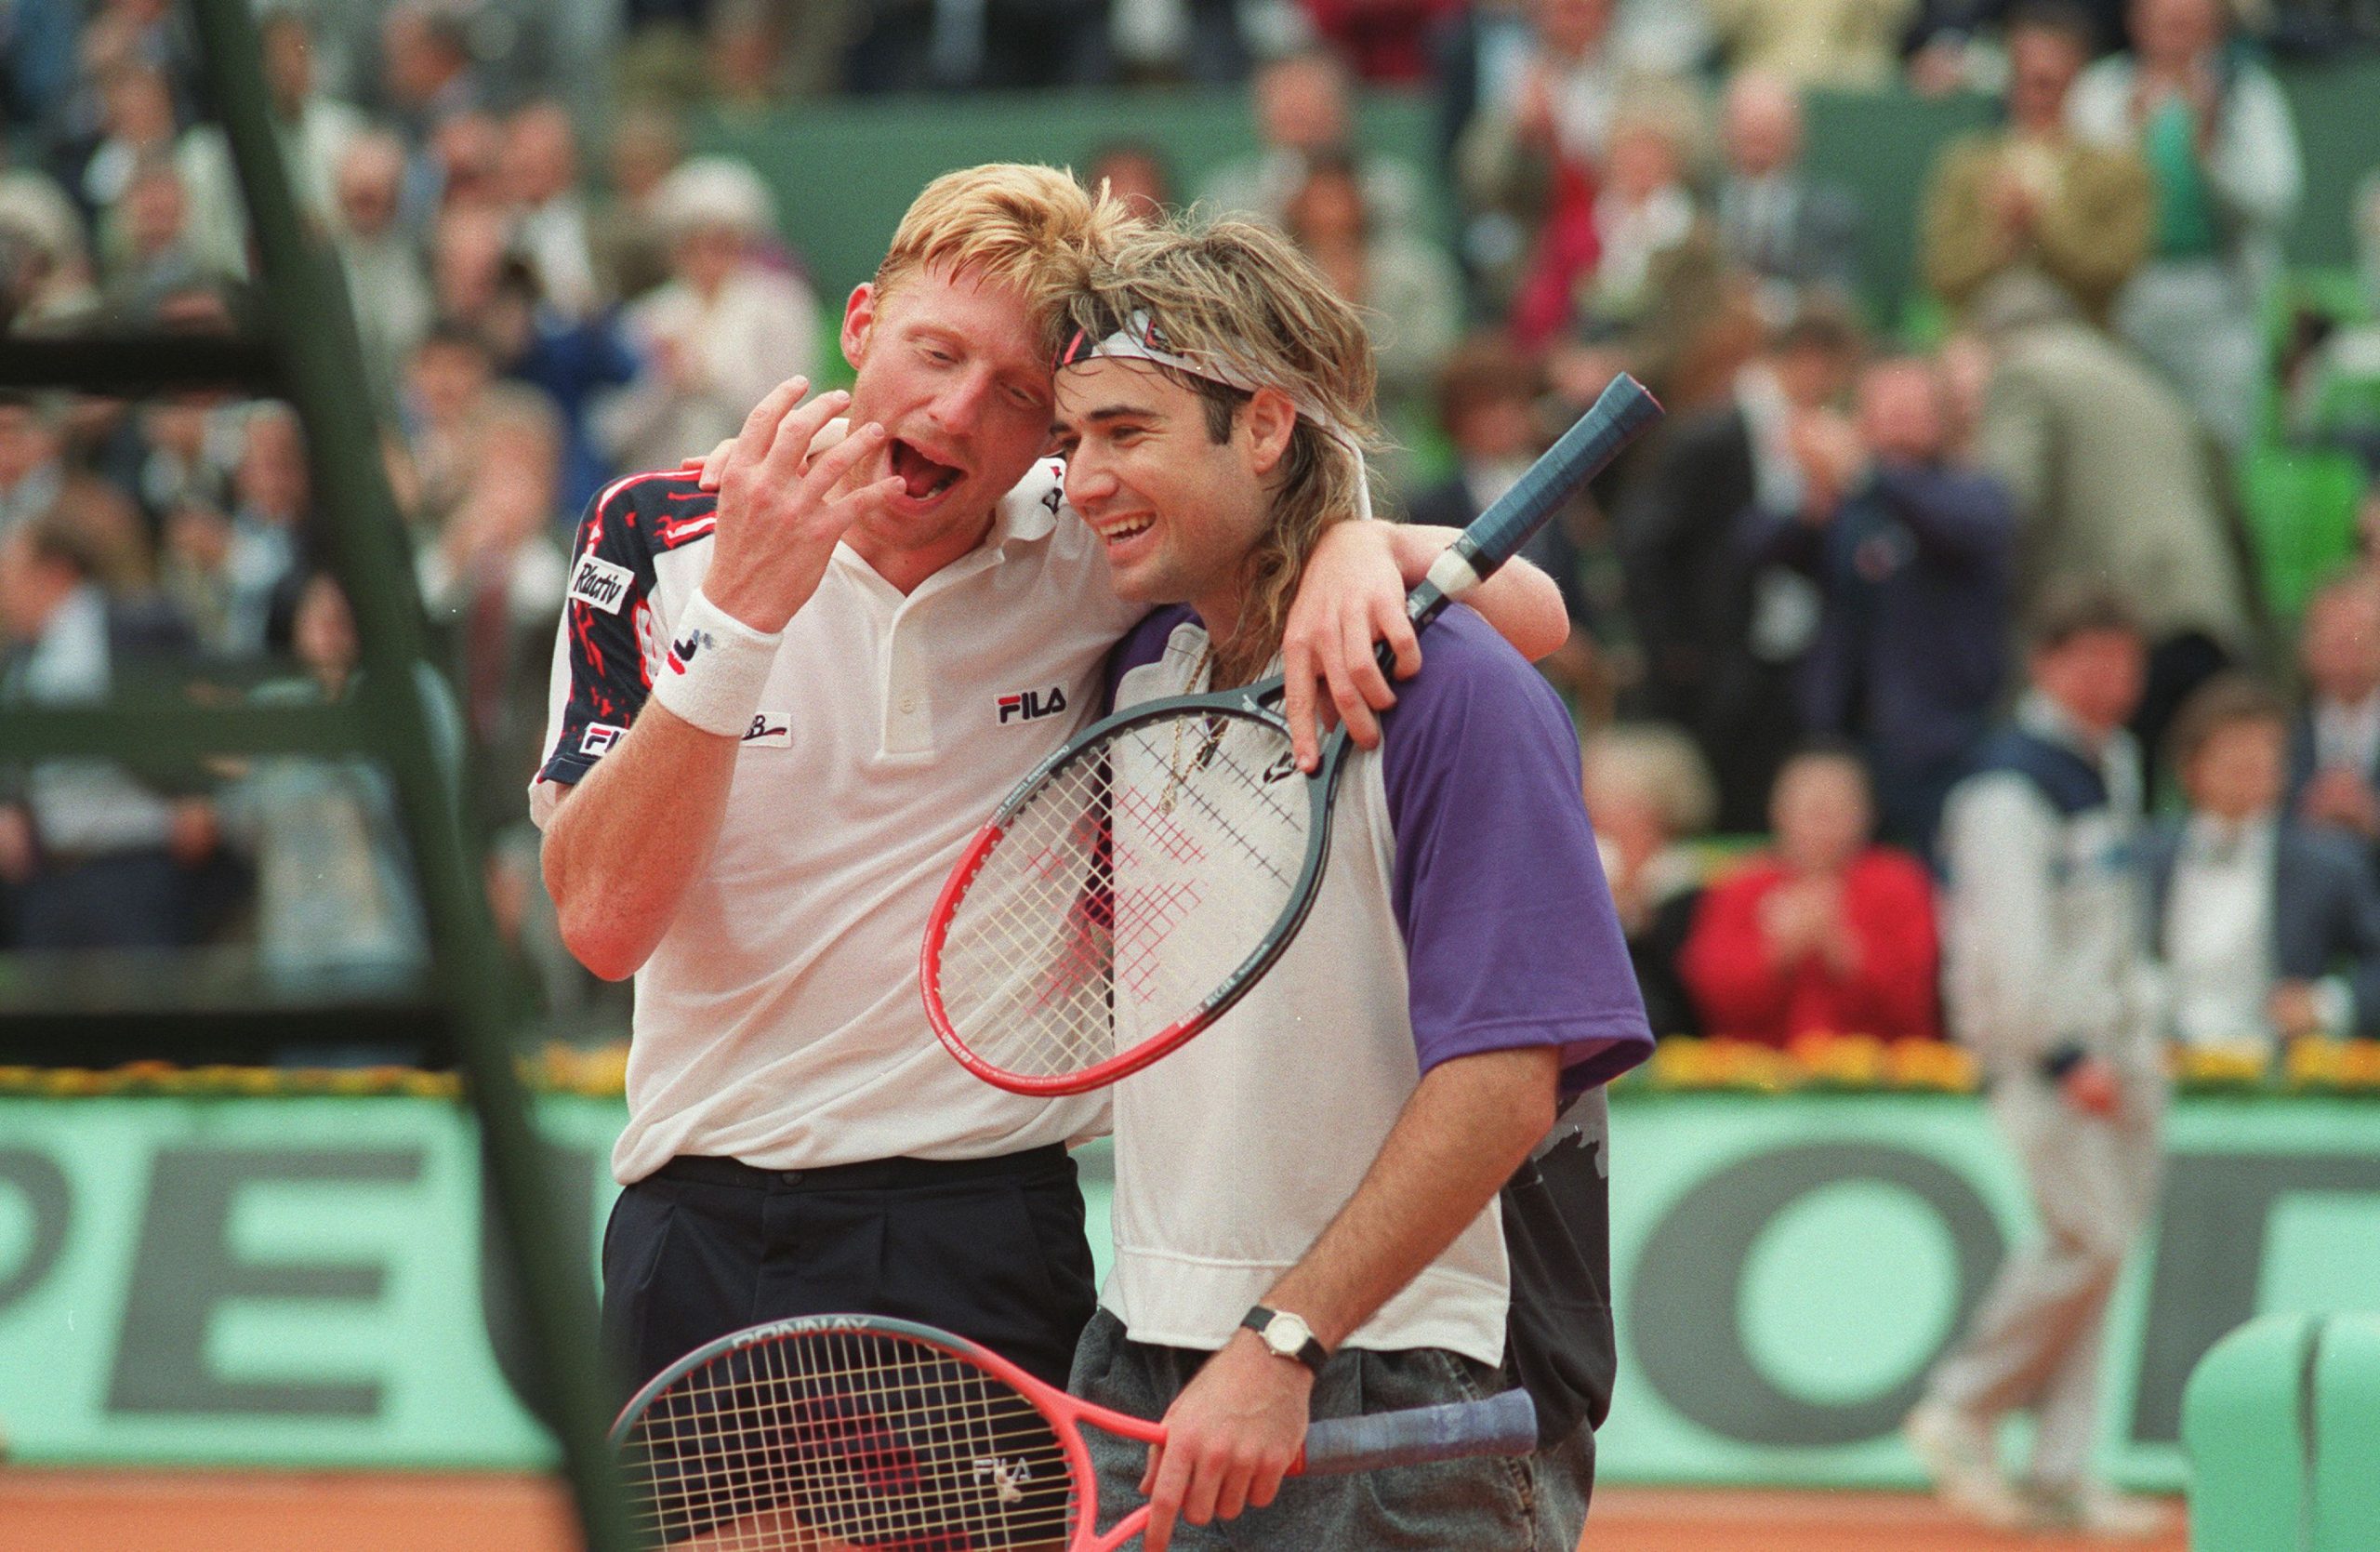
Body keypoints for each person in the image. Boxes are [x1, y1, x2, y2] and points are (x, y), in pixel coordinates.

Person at [530, 166, 1569, 1406]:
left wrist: (1360, 540)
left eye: (1020, 394)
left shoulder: (1091, 538)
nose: (961, 412)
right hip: (706, 1210)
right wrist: (741, 624)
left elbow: (1534, 620)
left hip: (988, 1213)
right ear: (859, 325)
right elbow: (599, 923)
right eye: (933, 353)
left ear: (1055, 426)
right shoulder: (656, 534)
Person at [1048, 214, 1650, 1552]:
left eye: (1127, 433)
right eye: (1072, 438)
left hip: (1396, 1380)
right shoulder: (1141, 665)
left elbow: (1505, 1079)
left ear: (1264, 428)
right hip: (1154, 1352)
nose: (1083, 479)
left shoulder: (1463, 696)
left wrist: (1285, 1339)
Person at [1906, 582, 2170, 1538]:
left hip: (2126, 1051)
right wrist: (2057, 1053)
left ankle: (2062, 1470)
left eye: (2123, 657)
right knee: (2087, 1242)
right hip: (2048, 1059)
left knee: (2101, 1262)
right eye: (2087, 656)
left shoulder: (2118, 763)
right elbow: (2003, 944)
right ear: (2045, 664)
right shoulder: (2005, 783)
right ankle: (1960, 1407)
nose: (2109, 678)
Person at [1739, 352, 2016, 858]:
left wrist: (1865, 473)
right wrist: (1813, 503)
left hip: (1943, 742)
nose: (1897, 419)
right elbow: (1755, 551)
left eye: (1912, 405)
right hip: (1846, 740)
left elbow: (1961, 527)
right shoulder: (1851, 504)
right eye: (1884, 405)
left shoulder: (1972, 491)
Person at [1618, 301, 1863, 832]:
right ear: (1809, 360)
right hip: (1713, 664)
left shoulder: (1804, 433)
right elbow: (1645, 542)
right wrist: (1675, 648)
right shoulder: (1712, 433)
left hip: (1776, 656)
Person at [2067, 0, 2304, 453]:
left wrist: (2210, 148)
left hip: (2220, 298)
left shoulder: (2249, 94)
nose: (2175, 39)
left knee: (2219, 448)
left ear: (2214, 28)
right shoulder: (2099, 92)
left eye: (2189, 24)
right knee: (2128, 449)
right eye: (2163, 23)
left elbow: (2275, 202)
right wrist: (2130, 134)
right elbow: (2083, 203)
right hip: (2125, 299)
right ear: (2137, 24)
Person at [2145, 674, 2380, 1050]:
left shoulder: (2326, 864)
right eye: (2233, 753)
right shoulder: (2145, 858)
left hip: (2281, 1082)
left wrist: (2327, 1006)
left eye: (2263, 754)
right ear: (2190, 769)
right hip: (2159, 1066)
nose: (2248, 767)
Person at [1679, 745, 1939, 1045]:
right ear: (1778, 812)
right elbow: (1707, 998)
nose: (1821, 826)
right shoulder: (1741, 884)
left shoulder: (1900, 883)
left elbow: (1919, 1001)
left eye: (1835, 811)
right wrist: (1778, 954)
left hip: (1882, 1075)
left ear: (1867, 814)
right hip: (1758, 1075)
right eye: (1810, 810)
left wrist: (1843, 951)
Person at [1922, 0, 2153, 328]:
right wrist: (2002, 240)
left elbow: (2112, 276)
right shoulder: (1967, 162)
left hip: (2076, 338)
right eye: (2024, 78)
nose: (2035, 96)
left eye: (2048, 82)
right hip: (1982, 340)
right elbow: (1942, 276)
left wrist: (2038, 223)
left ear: (2078, 77)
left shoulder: (2116, 168)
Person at [2287, 573, 2380, 850]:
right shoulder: (2279, 734)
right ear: (2307, 647)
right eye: (2336, 640)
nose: (2350, 655)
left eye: (2362, 638)